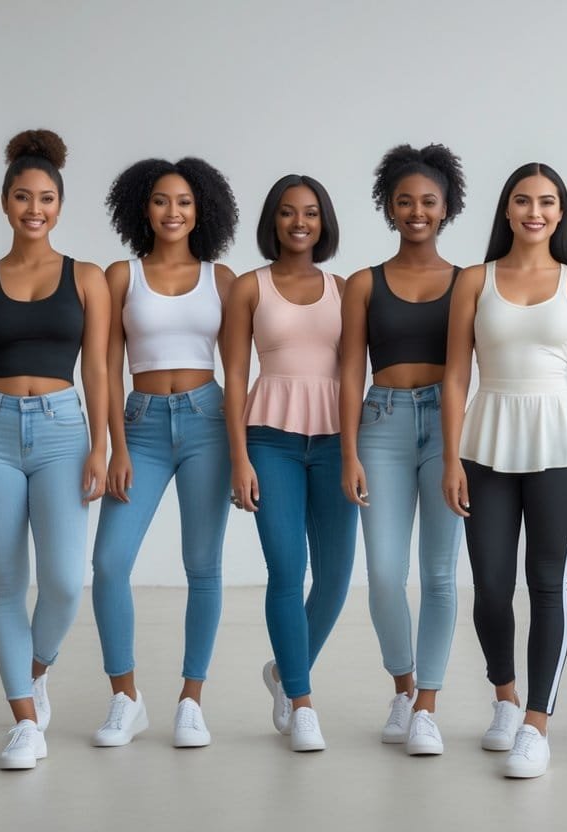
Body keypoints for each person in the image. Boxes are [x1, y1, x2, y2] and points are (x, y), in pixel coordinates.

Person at [0, 130, 109, 769]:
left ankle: (33, 672)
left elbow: (97, 370)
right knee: (6, 585)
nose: (33, 208)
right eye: (21, 197)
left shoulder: (87, 278)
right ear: (4, 203)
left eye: (45, 198)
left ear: (60, 205)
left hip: (65, 431)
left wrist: (101, 444)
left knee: (64, 582)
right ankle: (25, 722)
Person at [442, 162, 567, 778]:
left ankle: (537, 722)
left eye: (546, 201)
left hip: (560, 445)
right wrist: (451, 456)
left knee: (547, 585)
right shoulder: (473, 281)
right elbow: (457, 374)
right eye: (522, 201)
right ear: (507, 211)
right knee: (489, 584)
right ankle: (505, 698)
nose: (534, 211)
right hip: (485, 440)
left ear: (560, 213)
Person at [90, 157, 238, 748]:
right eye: (160, 201)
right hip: (143, 425)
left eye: (183, 201)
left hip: (207, 421)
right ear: (141, 209)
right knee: (108, 564)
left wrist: (241, 450)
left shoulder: (220, 278)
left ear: (201, 209)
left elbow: (238, 370)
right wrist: (115, 447)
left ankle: (190, 701)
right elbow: (104, 366)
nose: (172, 212)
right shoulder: (120, 276)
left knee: (203, 567)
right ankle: (125, 698)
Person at [339, 144, 467, 755]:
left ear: (446, 209)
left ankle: (428, 707)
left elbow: (473, 369)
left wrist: (459, 453)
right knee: (386, 574)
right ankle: (403, 685)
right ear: (389, 207)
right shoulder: (364, 282)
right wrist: (348, 452)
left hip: (447, 428)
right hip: (382, 424)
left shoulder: (469, 281)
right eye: (405, 201)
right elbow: (347, 372)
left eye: (429, 202)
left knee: (440, 576)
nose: (417, 212)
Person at [224, 175, 357, 752]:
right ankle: (301, 701)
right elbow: (233, 376)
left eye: (309, 212)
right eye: (286, 212)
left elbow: (354, 375)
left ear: (323, 221)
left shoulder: (346, 288)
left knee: (333, 579)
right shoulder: (249, 288)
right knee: (286, 569)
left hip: (334, 443)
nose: (299, 222)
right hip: (269, 441)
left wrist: (355, 452)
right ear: (272, 221)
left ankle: (281, 672)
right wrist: (238, 458)